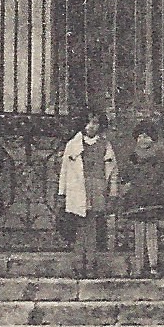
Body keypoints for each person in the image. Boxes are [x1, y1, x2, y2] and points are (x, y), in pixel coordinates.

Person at [57, 107, 118, 280]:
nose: (91, 126)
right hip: (78, 189)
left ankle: (90, 262)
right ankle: (78, 262)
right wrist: (62, 193)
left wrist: (112, 193)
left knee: (92, 227)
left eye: (96, 123)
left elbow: (113, 171)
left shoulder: (105, 145)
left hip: (96, 187)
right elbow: (65, 171)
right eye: (88, 122)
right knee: (79, 227)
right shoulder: (74, 144)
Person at [120, 118, 164, 277]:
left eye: (147, 136)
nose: (143, 140)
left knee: (151, 233)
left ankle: (153, 264)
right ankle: (138, 265)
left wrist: (161, 191)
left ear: (154, 139)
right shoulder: (132, 158)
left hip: (153, 199)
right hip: (137, 199)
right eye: (141, 136)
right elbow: (125, 177)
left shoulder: (159, 158)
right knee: (138, 233)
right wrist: (126, 189)